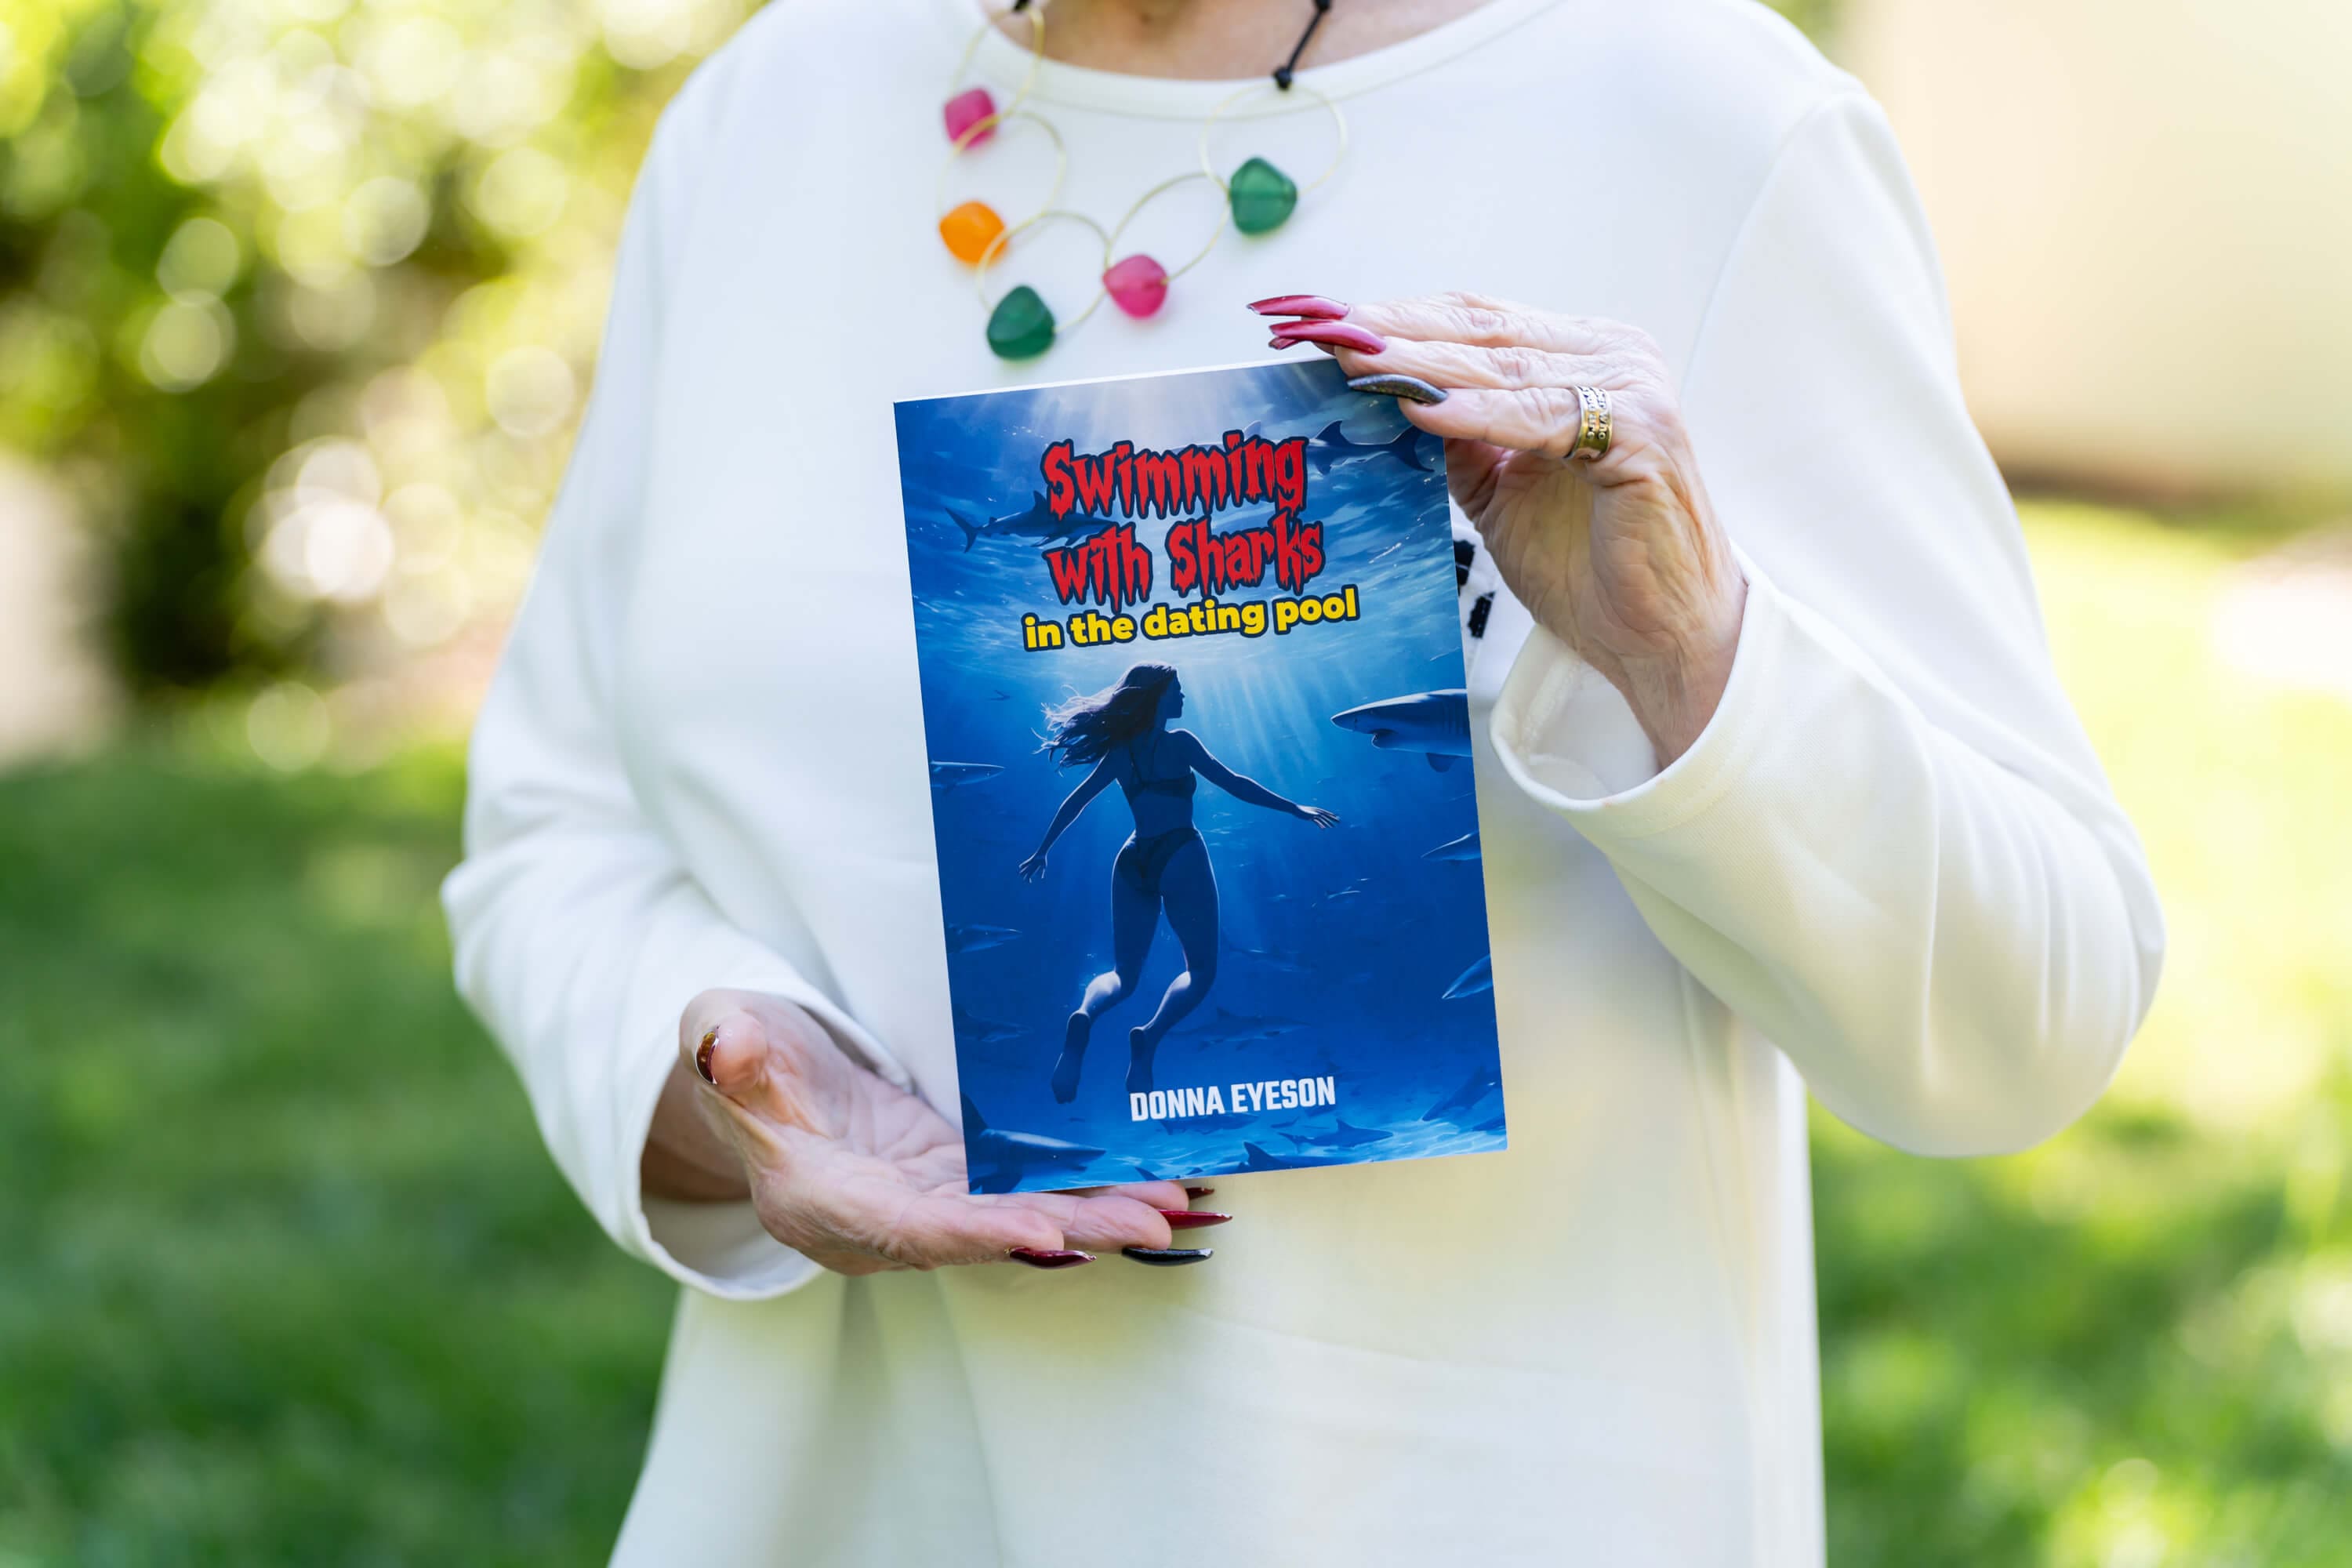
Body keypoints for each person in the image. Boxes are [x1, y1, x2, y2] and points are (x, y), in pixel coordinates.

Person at [440, 0, 2167, 1561]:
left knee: (1182, 965)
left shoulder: (1698, 117)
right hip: (837, 1506)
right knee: (1158, 968)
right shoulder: (770, 110)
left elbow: (2032, 1008)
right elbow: (552, 836)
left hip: (1471, 1509)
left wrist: (1680, 647)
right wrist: (728, 1083)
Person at [1017, 662, 1339, 1102]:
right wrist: (1293, 808)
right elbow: (1235, 784)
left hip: (1132, 857)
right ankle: (1148, 1038)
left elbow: (1078, 800)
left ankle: (1085, 1014)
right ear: (1158, 696)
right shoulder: (1181, 743)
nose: (1184, 697)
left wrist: (1043, 849)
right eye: (1177, 690)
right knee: (1201, 972)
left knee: (1122, 975)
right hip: (1180, 853)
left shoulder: (1120, 751)